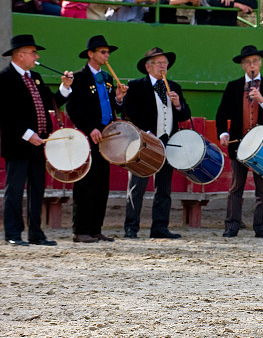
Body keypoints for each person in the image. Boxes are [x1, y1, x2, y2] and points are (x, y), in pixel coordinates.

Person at [0, 34, 73, 246]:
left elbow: (51, 102)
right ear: (19, 54)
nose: (36, 56)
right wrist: (27, 133)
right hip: (18, 143)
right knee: (14, 189)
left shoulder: (36, 77)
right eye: (33, 53)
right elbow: (5, 113)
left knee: (37, 189)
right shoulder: (5, 78)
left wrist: (65, 87)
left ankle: (35, 233)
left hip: (39, 143)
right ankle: (13, 234)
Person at [216, 45, 263, 239]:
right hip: (239, 143)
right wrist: (222, 133)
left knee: (261, 188)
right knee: (236, 186)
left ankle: (261, 227)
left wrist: (262, 100)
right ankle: (232, 226)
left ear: (260, 63)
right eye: (247, 62)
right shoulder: (234, 86)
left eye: (254, 61)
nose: (251, 65)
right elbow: (221, 114)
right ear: (242, 66)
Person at [122, 47, 191, 239]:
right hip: (143, 143)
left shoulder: (174, 86)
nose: (163, 67)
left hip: (168, 142)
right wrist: (148, 133)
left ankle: (160, 228)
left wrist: (178, 105)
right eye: (159, 63)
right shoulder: (136, 86)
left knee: (164, 188)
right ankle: (131, 227)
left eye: (165, 64)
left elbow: (185, 115)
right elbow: (128, 113)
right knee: (137, 187)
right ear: (147, 67)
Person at [66, 35, 128, 243]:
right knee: (86, 183)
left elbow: (112, 107)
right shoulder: (79, 77)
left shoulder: (108, 79)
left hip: (106, 135)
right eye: (102, 52)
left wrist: (119, 99)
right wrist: (90, 127)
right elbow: (73, 108)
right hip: (88, 136)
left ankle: (95, 228)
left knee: (102, 183)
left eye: (107, 52)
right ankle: (80, 230)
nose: (106, 55)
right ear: (91, 54)